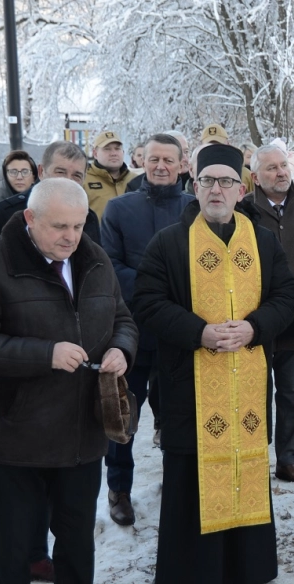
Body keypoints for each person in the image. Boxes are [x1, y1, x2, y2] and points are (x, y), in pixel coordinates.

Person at [0, 178, 138, 584]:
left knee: (76, 545)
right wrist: (44, 354)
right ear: (30, 220)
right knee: (12, 549)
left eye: (77, 225)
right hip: (16, 434)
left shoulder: (93, 259)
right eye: (59, 227)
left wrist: (121, 349)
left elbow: (123, 318)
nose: (70, 237)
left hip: (81, 433)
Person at [133, 143, 294, 584]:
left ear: (242, 189)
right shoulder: (169, 242)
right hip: (190, 383)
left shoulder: (262, 240)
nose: (217, 189)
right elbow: (147, 302)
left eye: (226, 181)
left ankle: (246, 568)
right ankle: (193, 576)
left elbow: (287, 298)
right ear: (195, 186)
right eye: (208, 181)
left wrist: (254, 327)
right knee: (190, 477)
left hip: (246, 377)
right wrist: (198, 333)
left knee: (244, 467)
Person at [101, 132, 195, 526]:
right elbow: (109, 264)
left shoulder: (195, 207)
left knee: (178, 413)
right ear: (142, 160)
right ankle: (119, 488)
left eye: (168, 160)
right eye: (153, 159)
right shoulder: (119, 209)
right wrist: (156, 288)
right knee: (124, 413)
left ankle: (178, 481)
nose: (160, 166)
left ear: (181, 164)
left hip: (180, 332)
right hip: (133, 331)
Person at [245, 144, 294, 482]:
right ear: (254, 178)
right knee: (254, 396)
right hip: (256, 322)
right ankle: (254, 458)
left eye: (283, 166)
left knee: (292, 392)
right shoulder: (242, 209)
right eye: (271, 169)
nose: (280, 173)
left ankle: (287, 459)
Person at [0, 141, 100, 246]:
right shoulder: (2, 215)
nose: (68, 180)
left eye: (77, 176)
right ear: (41, 172)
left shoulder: (88, 218)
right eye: (60, 172)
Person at [0, 150, 38, 257]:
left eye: (25, 172)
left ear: (33, 177)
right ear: (5, 176)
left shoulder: (43, 209)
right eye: (13, 172)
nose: (19, 177)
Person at [84, 130, 135, 219]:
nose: (113, 153)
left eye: (117, 148)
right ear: (95, 153)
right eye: (107, 149)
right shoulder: (84, 180)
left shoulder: (136, 180)